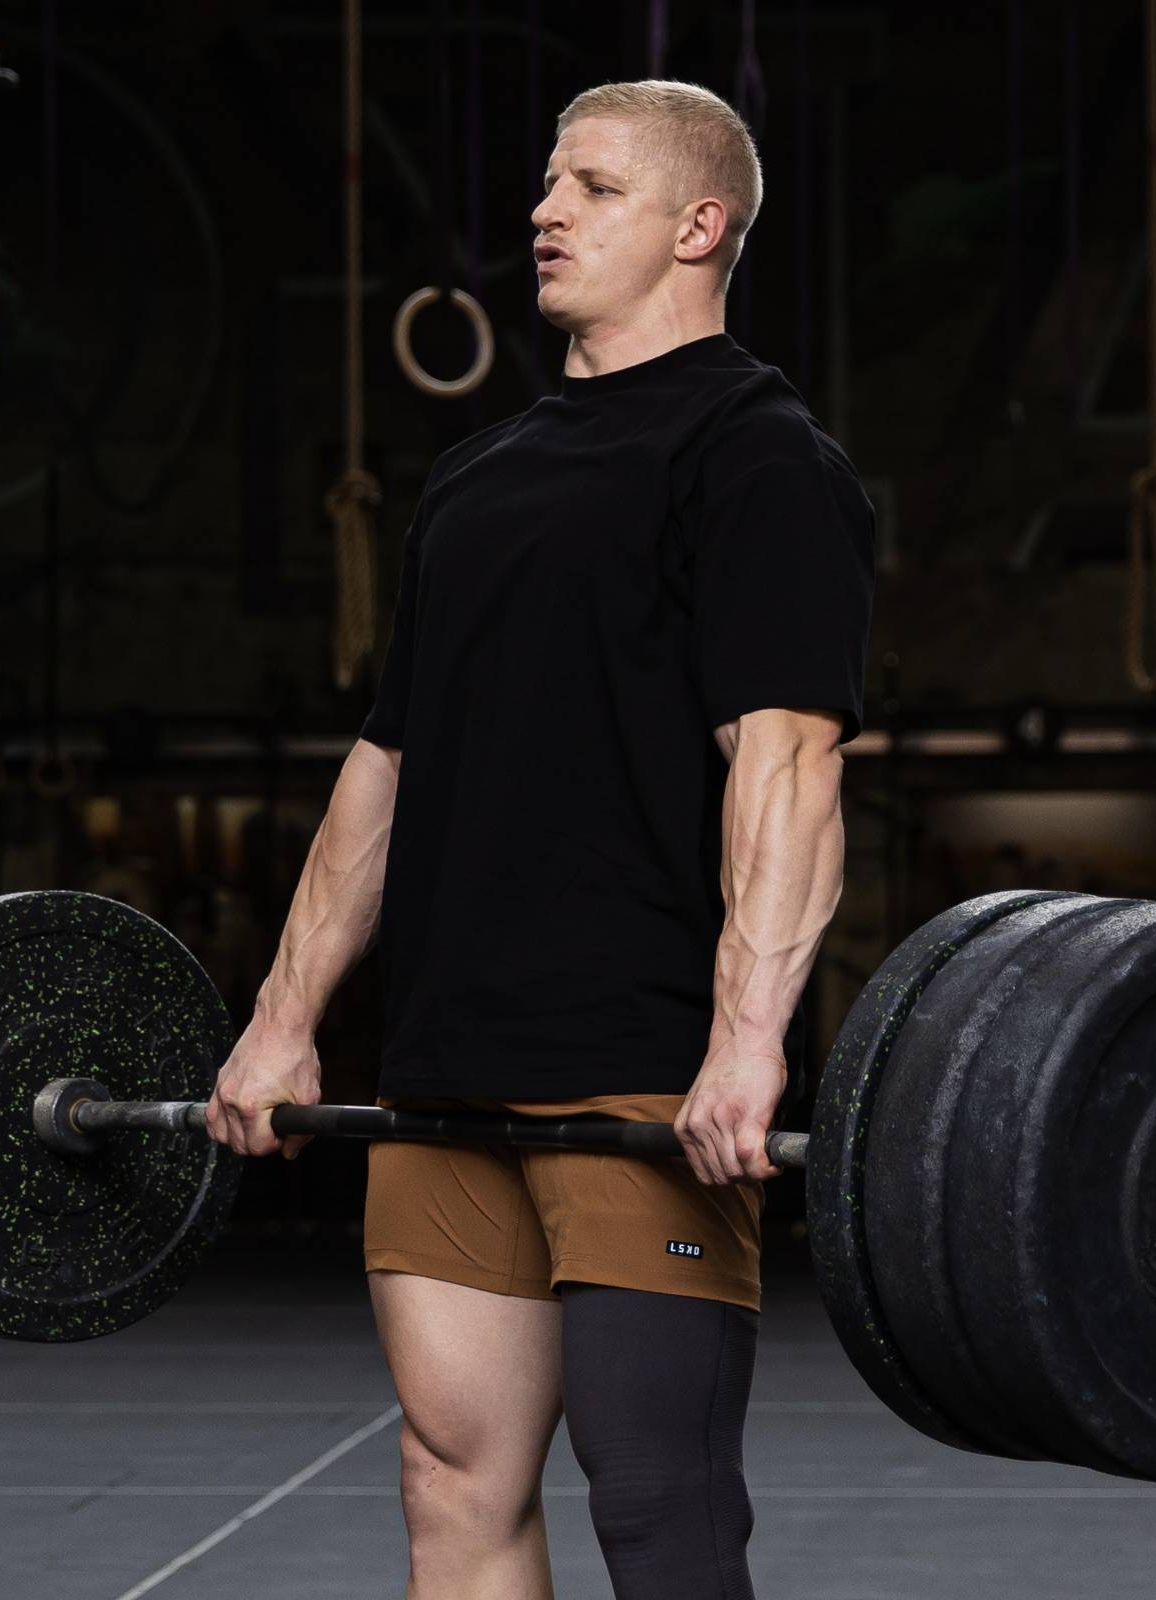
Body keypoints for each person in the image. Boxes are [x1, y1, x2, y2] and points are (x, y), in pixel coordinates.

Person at [205, 78, 874, 1600]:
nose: (544, 213)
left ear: (701, 226)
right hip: (442, 1072)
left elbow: (788, 764)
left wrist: (750, 1039)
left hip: (638, 1069)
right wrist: (284, 1021)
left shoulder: (760, 458)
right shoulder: (474, 480)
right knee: (454, 1483)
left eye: (593, 188)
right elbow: (384, 773)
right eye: (547, 184)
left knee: (657, 1495)